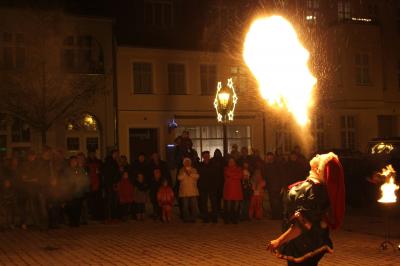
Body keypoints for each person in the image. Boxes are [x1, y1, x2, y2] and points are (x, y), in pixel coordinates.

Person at [267, 152, 345, 266]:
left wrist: (279, 241)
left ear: (318, 169)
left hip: (303, 245)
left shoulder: (311, 191)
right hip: (314, 243)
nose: (317, 156)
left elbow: (301, 225)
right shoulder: (320, 189)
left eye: (320, 159)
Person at [64, 156, 90, 227]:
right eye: (72, 161)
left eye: (75, 161)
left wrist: (86, 190)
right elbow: (63, 180)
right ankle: (71, 221)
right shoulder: (67, 170)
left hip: (79, 192)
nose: (74, 163)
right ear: (70, 162)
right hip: (70, 192)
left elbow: (85, 179)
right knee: (70, 208)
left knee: (78, 207)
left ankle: (76, 222)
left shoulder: (81, 170)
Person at [198, 151, 219, 223]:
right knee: (204, 203)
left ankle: (214, 217)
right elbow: (198, 177)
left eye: (208, 155)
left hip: (212, 186)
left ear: (209, 156)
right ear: (203, 157)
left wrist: (216, 185)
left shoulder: (214, 165)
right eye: (205, 156)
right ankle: (205, 217)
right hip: (203, 186)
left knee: (214, 202)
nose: (207, 157)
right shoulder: (200, 165)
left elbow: (217, 176)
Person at [177, 157, 199, 223]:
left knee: (193, 206)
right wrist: (185, 173)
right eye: (186, 162)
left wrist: (190, 174)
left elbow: (197, 176)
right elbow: (179, 178)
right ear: (183, 163)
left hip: (193, 191)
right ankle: (186, 218)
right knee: (185, 206)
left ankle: (193, 218)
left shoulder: (194, 170)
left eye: (188, 162)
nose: (187, 163)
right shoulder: (181, 170)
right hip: (184, 191)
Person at [223, 158, 243, 224]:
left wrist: (231, 176)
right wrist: (235, 175)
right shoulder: (226, 168)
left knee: (236, 204)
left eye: (232, 161)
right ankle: (228, 218)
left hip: (237, 188)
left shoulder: (239, 168)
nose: (231, 162)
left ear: (235, 162)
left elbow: (240, 176)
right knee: (228, 204)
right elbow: (227, 174)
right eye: (230, 161)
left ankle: (235, 218)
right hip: (229, 188)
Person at [103, 149, 121, 223]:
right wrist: (113, 182)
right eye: (116, 153)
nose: (117, 155)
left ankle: (113, 217)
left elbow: (117, 173)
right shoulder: (109, 162)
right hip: (110, 184)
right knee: (110, 201)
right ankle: (109, 217)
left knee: (114, 201)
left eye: (118, 154)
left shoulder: (114, 162)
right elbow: (109, 174)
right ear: (113, 153)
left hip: (113, 183)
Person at [264, 152, 284, 219]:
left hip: (276, 186)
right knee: (273, 202)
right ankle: (275, 215)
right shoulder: (266, 166)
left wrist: (282, 186)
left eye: (271, 158)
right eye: (268, 158)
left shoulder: (277, 165)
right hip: (271, 186)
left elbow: (281, 176)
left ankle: (278, 215)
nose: (269, 159)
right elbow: (265, 176)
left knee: (277, 201)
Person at [211, 149, 225, 213]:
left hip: (220, 182)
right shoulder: (223, 160)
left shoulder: (213, 160)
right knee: (216, 197)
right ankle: (217, 209)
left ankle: (217, 209)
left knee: (217, 197)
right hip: (216, 182)